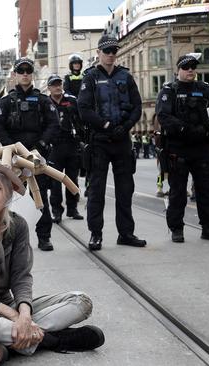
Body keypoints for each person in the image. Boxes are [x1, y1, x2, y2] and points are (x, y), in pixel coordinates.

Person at [0, 156, 105, 365]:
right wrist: (16, 318)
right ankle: (55, 340)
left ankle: (8, 343)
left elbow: (21, 277)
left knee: (81, 301)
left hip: (6, 307)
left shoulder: (18, 225)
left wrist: (23, 312)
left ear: (8, 193)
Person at [78, 35, 147, 251]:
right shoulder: (90, 77)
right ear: (98, 52)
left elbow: (137, 106)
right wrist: (106, 126)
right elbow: (84, 109)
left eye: (114, 51)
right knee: (97, 191)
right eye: (107, 51)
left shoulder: (125, 76)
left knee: (125, 190)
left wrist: (125, 127)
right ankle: (95, 234)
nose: (110, 55)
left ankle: (126, 233)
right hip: (100, 141)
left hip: (122, 140)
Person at [155, 54, 209, 243]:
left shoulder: (204, 89)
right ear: (178, 70)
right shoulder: (169, 90)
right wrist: (184, 129)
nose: (190, 71)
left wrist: (208, 126)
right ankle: (177, 228)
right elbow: (163, 116)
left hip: (202, 148)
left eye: (193, 67)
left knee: (204, 191)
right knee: (178, 192)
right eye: (186, 67)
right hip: (178, 148)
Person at [0, 58, 60, 251]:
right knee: (12, 198)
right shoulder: (7, 101)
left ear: (32, 74)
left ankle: (44, 236)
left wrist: (41, 144)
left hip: (36, 156)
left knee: (40, 197)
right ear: (14, 74)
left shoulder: (42, 100)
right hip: (14, 158)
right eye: (20, 71)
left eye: (28, 70)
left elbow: (54, 124)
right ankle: (10, 238)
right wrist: (11, 147)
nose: (24, 74)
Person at [45, 74, 84, 223]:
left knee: (72, 179)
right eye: (54, 84)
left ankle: (72, 209)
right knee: (55, 181)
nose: (57, 87)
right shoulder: (45, 102)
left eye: (59, 84)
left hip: (71, 144)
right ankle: (56, 211)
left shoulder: (72, 101)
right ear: (49, 87)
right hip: (54, 147)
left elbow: (81, 120)